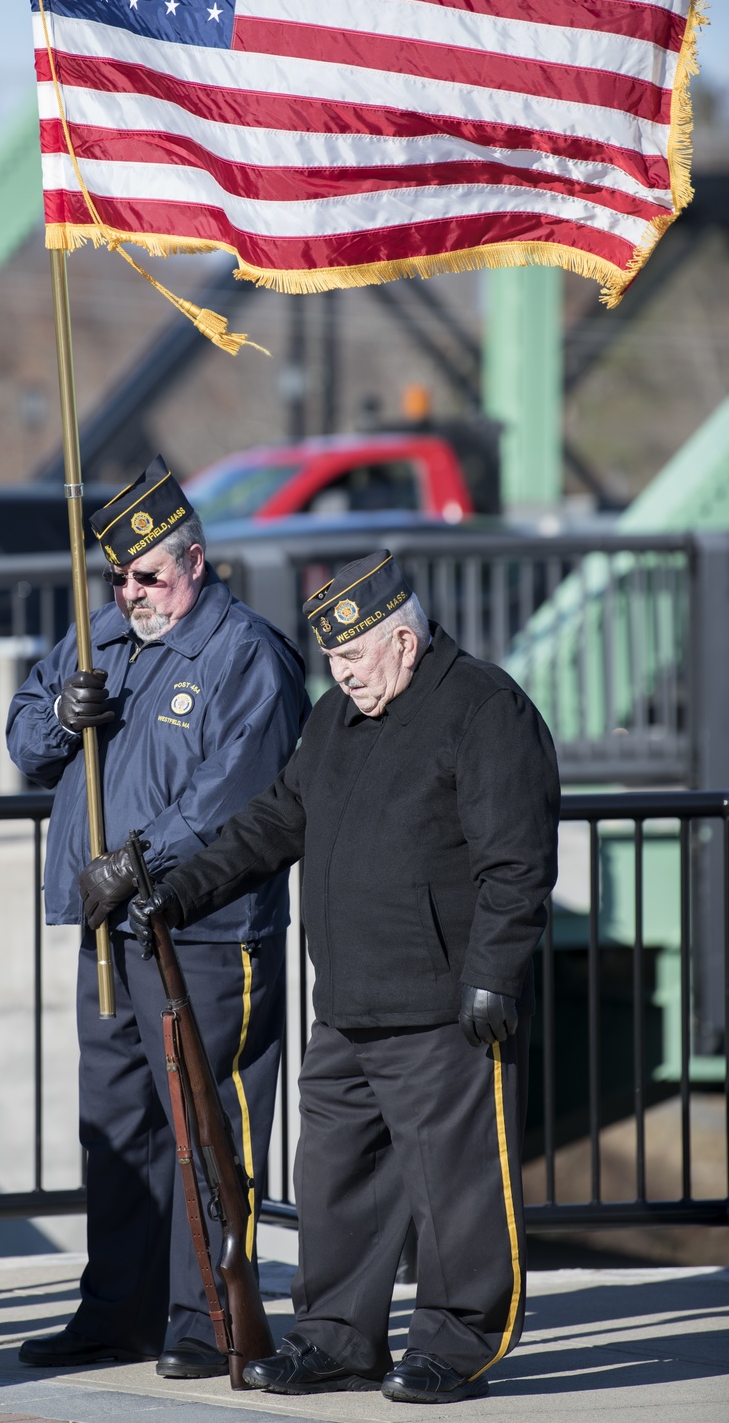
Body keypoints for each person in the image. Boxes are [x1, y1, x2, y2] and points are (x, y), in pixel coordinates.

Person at [130, 549, 560, 1404]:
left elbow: (515, 862)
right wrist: (180, 891)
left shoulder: (483, 707)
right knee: (335, 1181)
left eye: (354, 657)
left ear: (404, 641)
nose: (342, 674)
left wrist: (494, 976)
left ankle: (456, 1341)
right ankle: (335, 1337)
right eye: (332, 659)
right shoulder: (336, 718)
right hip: (349, 1002)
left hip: (443, 1003)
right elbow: (273, 822)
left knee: (457, 1188)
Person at [6, 455, 309, 1379]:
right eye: (119, 576)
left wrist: (136, 863)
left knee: (204, 1125)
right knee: (122, 1128)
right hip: (113, 933)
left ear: (196, 563)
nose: (131, 591)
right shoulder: (100, 638)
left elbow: (236, 796)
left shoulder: (244, 655)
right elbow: (22, 739)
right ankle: (119, 1311)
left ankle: (206, 1313)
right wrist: (65, 713)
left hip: (205, 932)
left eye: (148, 575)